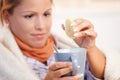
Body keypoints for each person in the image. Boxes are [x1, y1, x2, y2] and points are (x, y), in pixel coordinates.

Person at [0, 0, 106, 80]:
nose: (41, 26)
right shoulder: (4, 62)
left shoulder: (65, 48)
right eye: (29, 16)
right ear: (6, 17)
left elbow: (107, 75)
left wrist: (90, 48)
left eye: (46, 14)